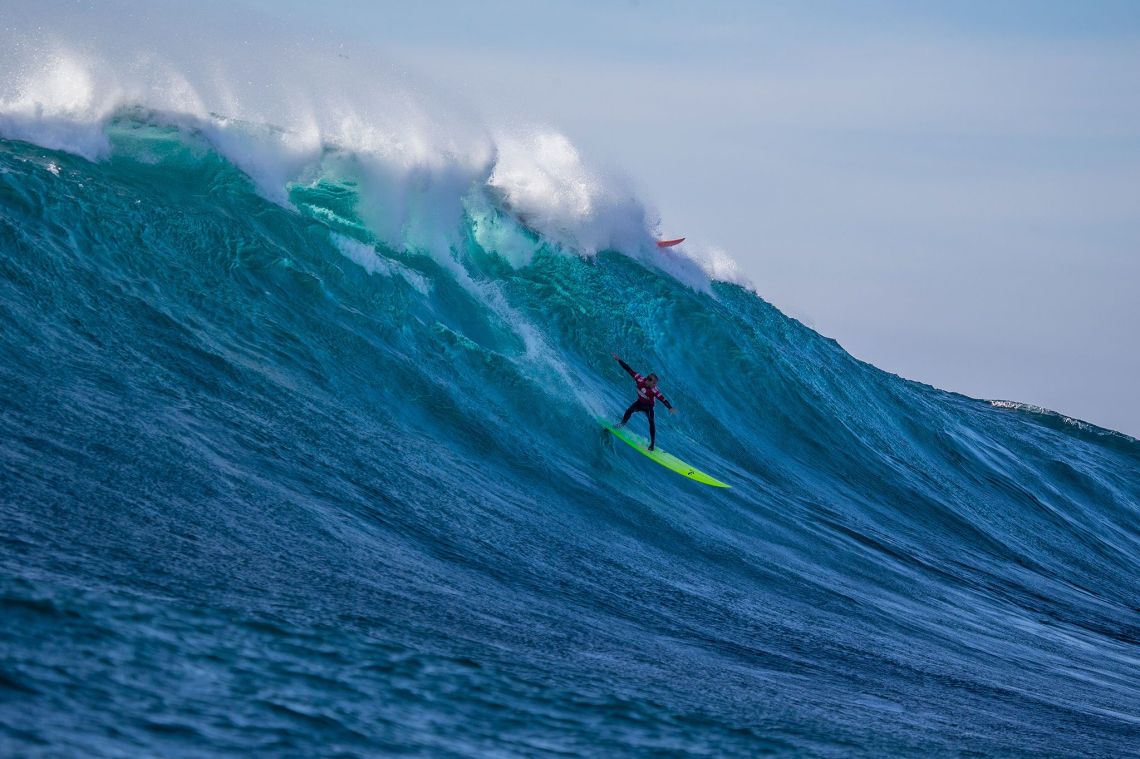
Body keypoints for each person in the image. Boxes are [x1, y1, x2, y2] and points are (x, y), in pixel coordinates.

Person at [611, 353, 676, 451]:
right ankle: (621, 424)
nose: (647, 380)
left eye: (653, 382)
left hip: (648, 407)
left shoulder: (654, 391)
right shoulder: (639, 379)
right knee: (629, 410)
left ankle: (652, 444)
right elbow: (628, 369)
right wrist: (618, 360)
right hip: (639, 403)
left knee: (651, 422)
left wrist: (670, 408)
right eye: (649, 379)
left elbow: (663, 400)